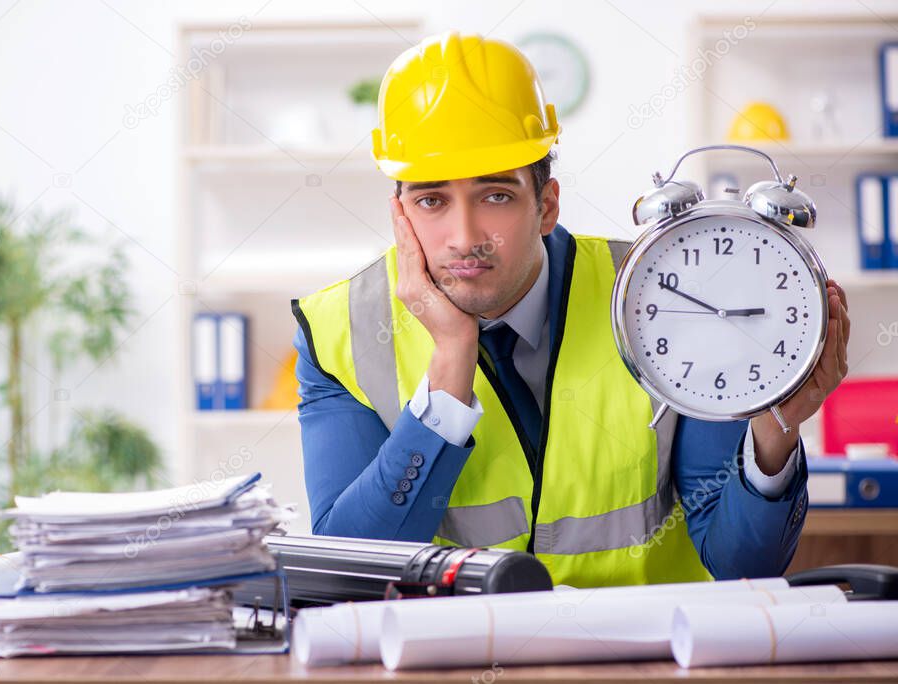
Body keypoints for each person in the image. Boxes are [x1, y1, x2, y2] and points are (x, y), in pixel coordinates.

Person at [290, 31, 851, 586]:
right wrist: (448, 373)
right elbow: (345, 575)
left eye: (496, 196)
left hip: (645, 662)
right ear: (400, 213)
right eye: (432, 200)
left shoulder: (663, 298)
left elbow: (740, 566)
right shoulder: (340, 333)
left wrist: (774, 432)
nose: (464, 237)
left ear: (546, 204)